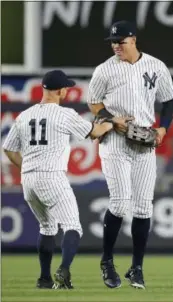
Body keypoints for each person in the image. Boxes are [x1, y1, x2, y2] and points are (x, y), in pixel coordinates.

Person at [3, 70, 115, 289]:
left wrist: (25, 167)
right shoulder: (64, 114)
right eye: (66, 87)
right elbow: (95, 132)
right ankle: (64, 271)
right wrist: (113, 123)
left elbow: (8, 149)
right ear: (60, 90)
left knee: (47, 227)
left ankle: (44, 278)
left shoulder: (24, 115)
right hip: (51, 176)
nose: (67, 90)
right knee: (73, 226)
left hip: (28, 180)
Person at [87, 20, 173, 289]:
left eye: (121, 41)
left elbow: (169, 100)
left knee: (142, 206)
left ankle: (136, 268)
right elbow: (93, 103)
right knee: (120, 202)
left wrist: (162, 128)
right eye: (113, 42)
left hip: (144, 142)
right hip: (115, 141)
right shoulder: (104, 70)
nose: (116, 46)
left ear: (134, 40)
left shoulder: (156, 66)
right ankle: (107, 261)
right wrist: (113, 120)